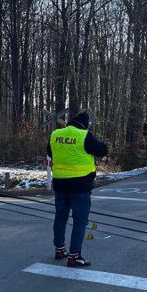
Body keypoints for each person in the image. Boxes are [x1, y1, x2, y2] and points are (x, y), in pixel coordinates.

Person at [47, 111, 108, 267]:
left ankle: (60, 250)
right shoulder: (84, 135)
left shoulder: (55, 134)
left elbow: (49, 152)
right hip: (80, 186)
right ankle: (74, 256)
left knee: (60, 218)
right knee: (80, 222)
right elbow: (102, 150)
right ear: (85, 125)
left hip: (60, 185)